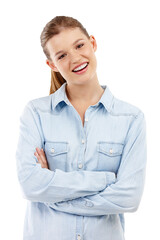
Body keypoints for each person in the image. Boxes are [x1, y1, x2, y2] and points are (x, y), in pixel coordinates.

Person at [16, 16, 147, 240]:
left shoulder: (131, 118)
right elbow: (30, 184)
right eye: (62, 55)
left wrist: (54, 195)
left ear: (93, 43)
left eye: (79, 45)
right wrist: (105, 180)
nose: (75, 58)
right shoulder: (36, 113)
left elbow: (129, 198)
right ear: (52, 65)